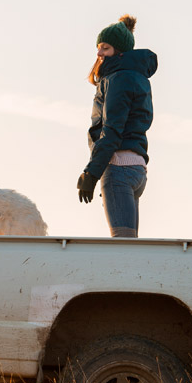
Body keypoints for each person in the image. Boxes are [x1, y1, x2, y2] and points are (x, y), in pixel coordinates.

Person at [76, 14, 157, 237]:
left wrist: (91, 174)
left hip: (118, 167)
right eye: (99, 48)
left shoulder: (117, 79)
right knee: (130, 244)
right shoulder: (138, 77)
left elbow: (111, 130)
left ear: (119, 52)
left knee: (123, 245)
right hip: (138, 168)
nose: (99, 53)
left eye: (105, 48)